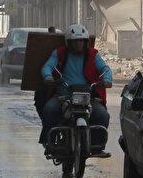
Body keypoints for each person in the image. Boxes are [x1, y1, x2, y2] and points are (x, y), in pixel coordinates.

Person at [39, 24, 114, 153]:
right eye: (75, 41)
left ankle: (97, 146)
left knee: (103, 115)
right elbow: (48, 66)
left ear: (85, 42)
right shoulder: (59, 53)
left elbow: (105, 68)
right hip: (63, 96)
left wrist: (107, 79)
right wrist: (48, 77)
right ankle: (50, 142)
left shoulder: (93, 54)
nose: (78, 44)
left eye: (81, 41)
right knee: (49, 110)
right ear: (69, 42)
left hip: (87, 97)